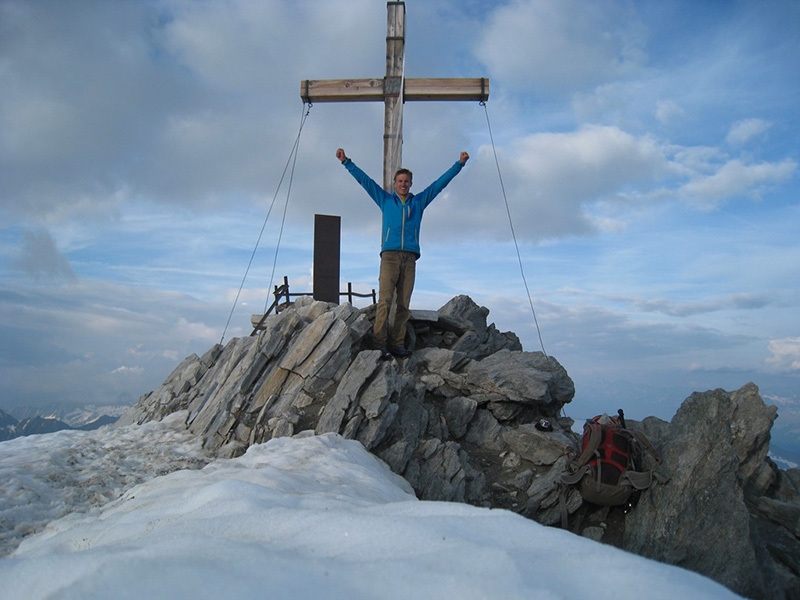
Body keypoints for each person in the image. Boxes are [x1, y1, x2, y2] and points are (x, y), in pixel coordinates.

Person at [335, 147, 470, 359]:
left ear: (411, 184)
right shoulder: (385, 200)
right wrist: (346, 162)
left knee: (403, 305)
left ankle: (397, 344)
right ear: (395, 184)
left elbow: (439, 184)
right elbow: (365, 181)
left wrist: (459, 164)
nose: (403, 184)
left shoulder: (419, 202)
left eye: (406, 181)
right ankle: (380, 345)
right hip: (389, 257)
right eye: (400, 181)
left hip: (410, 258)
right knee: (385, 301)